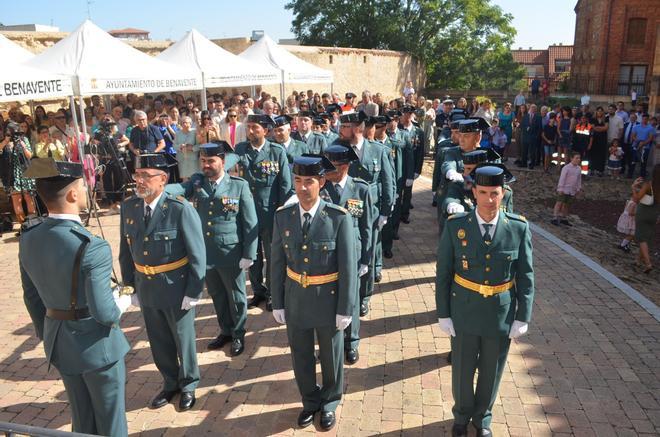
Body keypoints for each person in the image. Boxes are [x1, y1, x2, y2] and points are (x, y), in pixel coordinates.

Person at [20, 158, 131, 436]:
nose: (85, 191)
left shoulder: (29, 237)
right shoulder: (92, 246)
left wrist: (47, 335)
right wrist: (126, 300)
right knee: (111, 423)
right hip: (97, 347)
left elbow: (32, 297)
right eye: (83, 186)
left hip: (60, 341)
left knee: (82, 420)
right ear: (72, 194)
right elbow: (106, 313)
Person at [436, 165, 534, 437]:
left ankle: (483, 418)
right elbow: (443, 272)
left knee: (492, 369)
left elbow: (525, 276)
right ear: (473, 192)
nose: (489, 200)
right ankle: (462, 415)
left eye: (495, 193)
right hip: (464, 309)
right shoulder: (457, 227)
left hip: (499, 313)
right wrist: (443, 313)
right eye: (483, 193)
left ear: (504, 193)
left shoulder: (518, 228)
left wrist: (522, 316)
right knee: (462, 368)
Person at [271, 155, 357, 431]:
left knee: (331, 356)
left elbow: (348, 268)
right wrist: (277, 301)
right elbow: (276, 262)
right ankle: (309, 400)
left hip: (328, 299)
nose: (302, 187)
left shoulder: (337, 218)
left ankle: (330, 401)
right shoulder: (283, 216)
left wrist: (346, 308)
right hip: (296, 298)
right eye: (297, 181)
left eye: (308, 181)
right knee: (301, 354)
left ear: (321, 182)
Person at [118, 154, 206, 411]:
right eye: (138, 175)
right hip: (146, 285)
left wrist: (194, 290)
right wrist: (129, 286)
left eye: (147, 176)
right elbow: (126, 250)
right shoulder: (130, 207)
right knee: (158, 339)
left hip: (175, 286)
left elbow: (197, 253)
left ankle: (189, 383)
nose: (140, 181)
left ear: (163, 179)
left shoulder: (179, 208)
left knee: (182, 338)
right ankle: (170, 382)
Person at [166, 142, 258, 356]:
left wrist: (249, 253)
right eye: (203, 161)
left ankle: (238, 333)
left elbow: (250, 222)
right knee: (216, 294)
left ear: (222, 162)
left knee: (235, 296)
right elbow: (179, 189)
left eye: (211, 161)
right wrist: (160, 188)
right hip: (205, 252)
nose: (206, 165)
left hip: (230, 252)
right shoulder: (197, 182)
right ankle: (225, 330)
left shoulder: (239, 185)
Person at [235, 114, 292, 311]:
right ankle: (258, 291)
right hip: (246, 214)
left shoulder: (276, 151)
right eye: (248, 127)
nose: (250, 131)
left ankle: (272, 293)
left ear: (265, 130)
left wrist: (283, 214)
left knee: (272, 256)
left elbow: (286, 184)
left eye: (254, 128)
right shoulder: (241, 149)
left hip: (271, 213)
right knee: (253, 255)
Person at [339, 111, 395, 314]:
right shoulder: (337, 149)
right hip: (345, 209)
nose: (341, 130)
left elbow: (388, 182)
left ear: (356, 128)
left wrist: (385, 212)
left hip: (371, 210)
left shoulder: (378, 150)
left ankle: (365, 295)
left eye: (345, 127)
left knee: (368, 252)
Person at [632, 166, 659, 273]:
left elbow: (636, 199)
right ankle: (638, 260)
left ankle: (648, 263)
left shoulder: (648, 185)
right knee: (646, 237)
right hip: (654, 214)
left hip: (643, 213)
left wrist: (633, 188)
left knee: (641, 238)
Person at [552, 152, 582, 226]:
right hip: (564, 189)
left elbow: (579, 179)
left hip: (572, 190)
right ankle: (555, 217)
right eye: (576, 158)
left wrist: (578, 188)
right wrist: (560, 188)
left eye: (579, 158)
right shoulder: (566, 168)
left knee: (567, 204)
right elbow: (562, 179)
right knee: (559, 203)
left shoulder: (578, 169)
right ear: (572, 158)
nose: (578, 159)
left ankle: (563, 217)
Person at [173, 116, 198, 180]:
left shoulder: (195, 132)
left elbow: (199, 146)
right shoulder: (177, 134)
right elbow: (174, 146)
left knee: (194, 179)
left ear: (190, 124)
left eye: (187, 123)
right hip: (182, 160)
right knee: (185, 181)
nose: (185, 124)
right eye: (183, 123)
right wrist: (180, 146)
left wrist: (192, 148)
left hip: (193, 160)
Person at [632, 114, 656, 179]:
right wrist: (638, 142)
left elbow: (650, 138)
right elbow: (633, 136)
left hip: (646, 147)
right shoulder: (636, 127)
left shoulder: (651, 128)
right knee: (633, 160)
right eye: (643, 119)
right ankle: (630, 173)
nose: (644, 120)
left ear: (648, 120)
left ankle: (642, 175)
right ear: (642, 119)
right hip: (636, 145)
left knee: (643, 161)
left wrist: (643, 143)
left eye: (646, 119)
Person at [521, 104, 542, 169]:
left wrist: (536, 136)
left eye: (534, 108)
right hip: (525, 136)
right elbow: (522, 125)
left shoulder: (538, 117)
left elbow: (539, 128)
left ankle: (531, 164)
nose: (532, 109)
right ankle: (524, 163)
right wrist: (525, 129)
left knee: (532, 152)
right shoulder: (525, 116)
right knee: (524, 151)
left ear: (535, 109)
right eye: (531, 108)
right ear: (529, 108)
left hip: (533, 137)